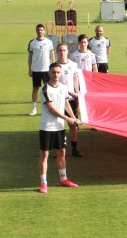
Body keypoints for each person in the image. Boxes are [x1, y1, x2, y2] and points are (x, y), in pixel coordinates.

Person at [38, 62, 80, 194]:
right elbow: (52, 109)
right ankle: (43, 183)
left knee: (62, 153)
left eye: (58, 72)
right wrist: (68, 119)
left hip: (59, 128)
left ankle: (64, 179)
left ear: (61, 73)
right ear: (49, 73)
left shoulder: (63, 87)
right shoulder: (45, 89)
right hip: (47, 127)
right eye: (53, 72)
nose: (56, 75)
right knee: (44, 154)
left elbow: (66, 103)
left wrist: (73, 117)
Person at [55, 43, 83, 158]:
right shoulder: (55, 67)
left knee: (73, 123)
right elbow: (57, 83)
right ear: (57, 52)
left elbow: (75, 78)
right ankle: (59, 148)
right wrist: (71, 92)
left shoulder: (73, 65)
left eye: (64, 50)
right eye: (60, 50)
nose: (62, 52)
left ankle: (74, 148)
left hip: (71, 99)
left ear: (67, 52)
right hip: (59, 98)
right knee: (58, 124)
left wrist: (77, 92)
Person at [28, 24, 56, 116]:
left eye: (41, 30)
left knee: (48, 89)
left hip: (46, 70)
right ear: (36, 31)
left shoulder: (49, 42)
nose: (40, 31)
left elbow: (52, 55)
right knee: (35, 88)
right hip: (36, 69)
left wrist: (53, 67)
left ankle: (51, 107)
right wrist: (30, 69)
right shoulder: (32, 43)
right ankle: (34, 108)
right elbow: (30, 56)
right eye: (38, 30)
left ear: (44, 31)